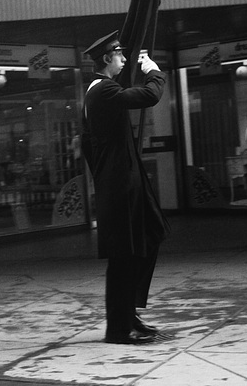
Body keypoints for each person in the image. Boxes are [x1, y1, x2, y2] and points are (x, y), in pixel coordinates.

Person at [81, 31, 172, 345]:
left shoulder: (97, 91)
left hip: (121, 183)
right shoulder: (103, 90)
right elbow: (148, 96)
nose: (124, 59)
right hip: (120, 186)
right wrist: (153, 72)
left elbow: (86, 145)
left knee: (148, 237)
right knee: (124, 258)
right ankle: (118, 329)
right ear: (108, 58)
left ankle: (127, 315)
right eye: (120, 55)